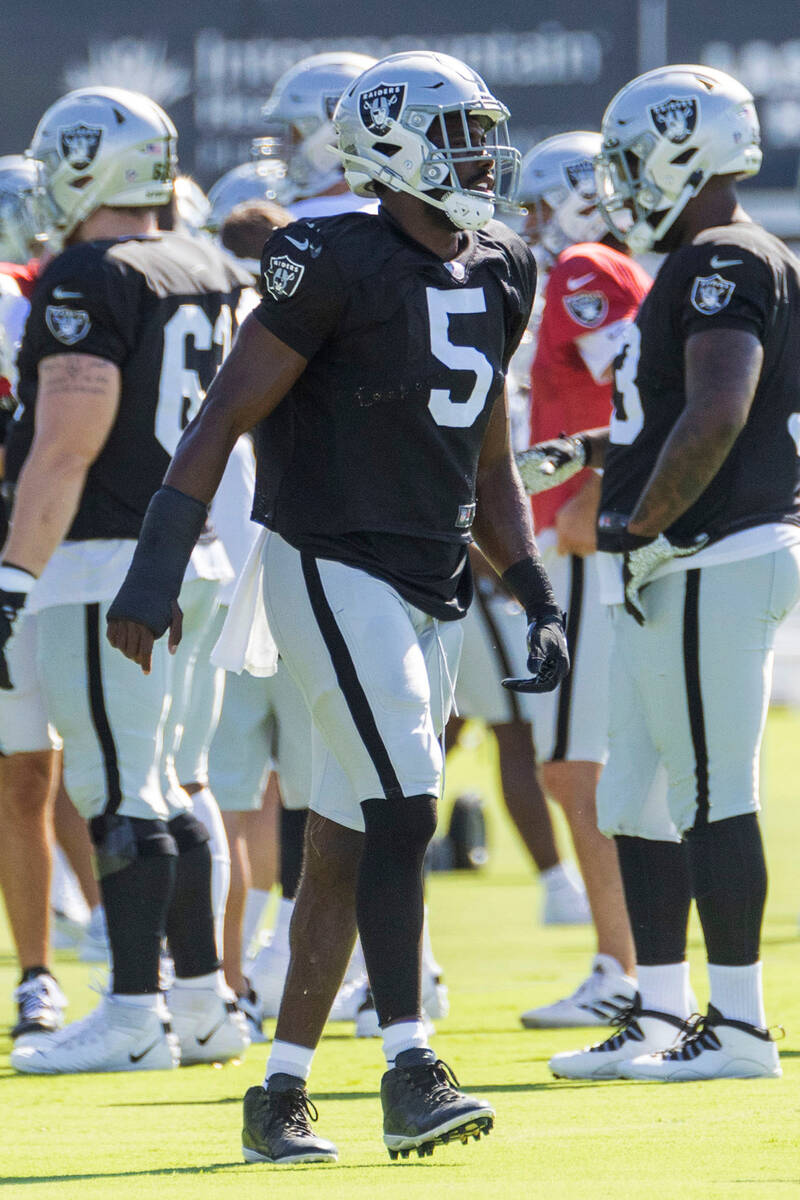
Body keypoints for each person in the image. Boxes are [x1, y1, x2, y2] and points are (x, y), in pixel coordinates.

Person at [107, 50, 568, 1161]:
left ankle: (278, 1094)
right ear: (394, 149)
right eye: (457, 135)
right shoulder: (329, 257)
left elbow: (488, 460)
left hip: (431, 576)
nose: (479, 157)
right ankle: (410, 1069)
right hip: (325, 563)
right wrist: (155, 567)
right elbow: (221, 416)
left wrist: (534, 591)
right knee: (407, 803)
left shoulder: (499, 262)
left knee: (349, 835)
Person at [541, 64, 800, 1081]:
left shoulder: (722, 257)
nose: (616, 178)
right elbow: (677, 413)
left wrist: (637, 522)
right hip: (685, 550)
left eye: (628, 155)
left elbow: (718, 406)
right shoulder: (708, 256)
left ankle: (735, 1026)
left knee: (705, 788)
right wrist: (593, 458)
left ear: (680, 148)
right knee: (632, 799)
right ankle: (656, 1015)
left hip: (705, 549)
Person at [0, 85, 252, 1073]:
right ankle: (202, 1004)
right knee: (169, 786)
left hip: (105, 560)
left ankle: (136, 1014)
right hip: (193, 555)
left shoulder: (89, 274)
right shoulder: (206, 264)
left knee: (121, 793)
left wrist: (15, 573)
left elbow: (66, 444)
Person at [513, 131, 652, 1027]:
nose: (526, 224)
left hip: (584, 550)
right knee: (591, 764)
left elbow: (645, 384)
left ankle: (623, 968)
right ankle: (633, 964)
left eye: (535, 205)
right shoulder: (600, 269)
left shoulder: (585, 268)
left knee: (572, 766)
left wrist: (589, 499)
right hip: (592, 543)